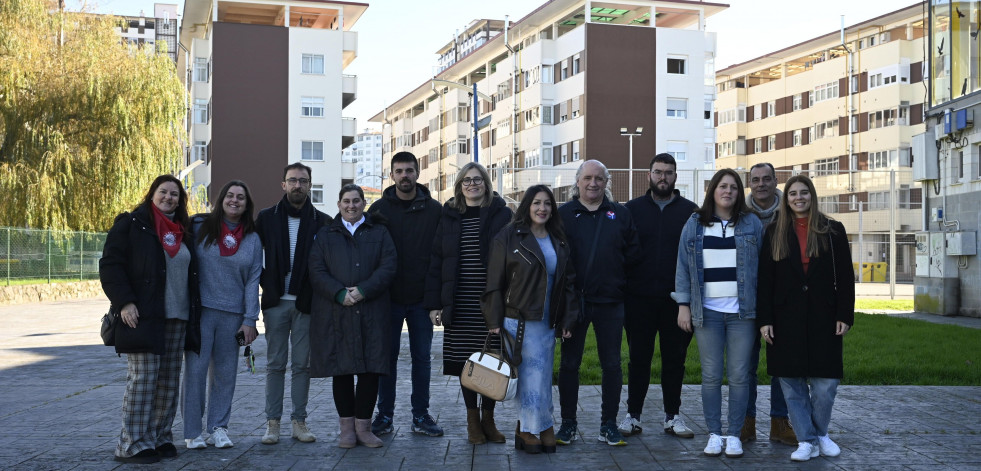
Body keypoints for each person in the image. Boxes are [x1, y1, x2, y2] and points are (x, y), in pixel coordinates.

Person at [99, 175, 201, 464]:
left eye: (174, 194)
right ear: (152, 194)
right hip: (142, 316)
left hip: (177, 316)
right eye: (163, 192)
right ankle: (130, 443)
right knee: (143, 379)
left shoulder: (183, 231)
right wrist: (124, 303)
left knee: (168, 381)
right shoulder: (131, 225)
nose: (169, 197)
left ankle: (159, 436)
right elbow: (110, 266)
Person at [756, 175, 854, 462]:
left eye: (804, 193)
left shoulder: (832, 230)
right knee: (791, 381)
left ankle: (820, 434)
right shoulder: (774, 231)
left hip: (824, 316)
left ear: (812, 195)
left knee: (826, 383)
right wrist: (765, 319)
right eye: (793, 194)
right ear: (786, 199)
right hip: (785, 318)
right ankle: (806, 440)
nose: (799, 198)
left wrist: (844, 314)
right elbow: (765, 280)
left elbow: (846, 277)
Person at [673, 168, 763, 459]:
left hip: (742, 314)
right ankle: (714, 433)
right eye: (722, 186)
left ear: (739, 193)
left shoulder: (751, 223)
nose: (728, 191)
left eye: (733, 187)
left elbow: (763, 269)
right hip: (707, 313)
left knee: (739, 376)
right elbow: (683, 267)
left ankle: (734, 435)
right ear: (712, 191)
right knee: (711, 376)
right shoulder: (695, 223)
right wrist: (683, 305)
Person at [483, 185, 579, 454]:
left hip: (548, 321)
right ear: (527, 205)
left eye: (548, 204)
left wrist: (568, 319)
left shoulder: (558, 239)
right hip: (518, 320)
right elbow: (494, 282)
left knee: (543, 376)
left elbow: (569, 283)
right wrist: (493, 320)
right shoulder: (509, 237)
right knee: (528, 377)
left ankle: (543, 425)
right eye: (537, 203)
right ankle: (527, 428)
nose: (542, 208)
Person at [424, 162, 512, 445]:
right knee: (468, 362)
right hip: (458, 301)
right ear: (459, 185)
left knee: (491, 361)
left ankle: (489, 419)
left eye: (477, 180)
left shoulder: (502, 214)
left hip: (491, 301)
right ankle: (472, 420)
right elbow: (436, 261)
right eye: (466, 180)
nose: (472, 184)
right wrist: (434, 304)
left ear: (486, 183)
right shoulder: (449, 215)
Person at [556, 159, 641, 447]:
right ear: (577, 182)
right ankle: (568, 423)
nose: (593, 183)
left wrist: (618, 283)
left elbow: (633, 254)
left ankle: (609, 424)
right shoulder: (563, 214)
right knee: (569, 364)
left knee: (612, 365)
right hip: (573, 303)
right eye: (588, 178)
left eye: (599, 178)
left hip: (610, 302)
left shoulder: (621, 213)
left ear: (607, 183)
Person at [309, 184, 397, 449]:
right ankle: (346, 430)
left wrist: (363, 290)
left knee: (370, 371)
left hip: (371, 311)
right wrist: (339, 293)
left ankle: (364, 428)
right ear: (338, 205)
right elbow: (316, 269)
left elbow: (389, 265)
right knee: (342, 371)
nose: (351, 205)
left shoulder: (379, 232)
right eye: (346, 201)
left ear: (363, 204)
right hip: (337, 312)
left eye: (356, 201)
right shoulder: (325, 235)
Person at [619, 153, 698, 439]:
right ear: (649, 175)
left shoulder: (691, 212)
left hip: (676, 302)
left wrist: (687, 300)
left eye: (668, 172)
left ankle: (672, 417)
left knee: (674, 360)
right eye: (657, 172)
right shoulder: (631, 210)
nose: (662, 177)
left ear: (676, 177)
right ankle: (633, 416)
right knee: (638, 359)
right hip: (637, 299)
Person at [367, 152, 444, 437]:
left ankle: (420, 416)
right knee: (385, 360)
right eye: (399, 171)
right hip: (388, 300)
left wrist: (437, 300)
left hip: (423, 300)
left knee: (422, 359)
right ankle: (384, 415)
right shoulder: (378, 211)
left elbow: (441, 257)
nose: (404, 176)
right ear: (391, 175)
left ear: (418, 172)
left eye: (409, 170)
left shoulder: (435, 210)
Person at [182, 180, 262, 450]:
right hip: (201, 313)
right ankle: (192, 432)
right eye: (230, 195)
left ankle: (218, 427)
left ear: (246, 204)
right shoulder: (199, 227)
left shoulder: (252, 238)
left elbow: (253, 281)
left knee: (226, 374)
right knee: (195, 371)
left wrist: (250, 319)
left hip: (233, 316)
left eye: (241, 197)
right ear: (221, 199)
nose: (235, 201)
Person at [255, 163, 330, 445]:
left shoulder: (322, 222)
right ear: (283, 184)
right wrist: (268, 284)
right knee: (275, 364)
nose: (298, 185)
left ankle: (299, 421)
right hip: (276, 303)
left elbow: (325, 265)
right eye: (293, 180)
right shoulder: (266, 218)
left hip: (306, 303)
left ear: (310, 185)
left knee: (302, 365)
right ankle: (272, 423)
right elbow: (252, 258)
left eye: (303, 181)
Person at [743, 162, 796, 445]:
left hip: (781, 302)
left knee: (780, 365)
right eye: (755, 179)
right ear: (749, 183)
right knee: (745, 365)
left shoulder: (789, 211)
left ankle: (780, 422)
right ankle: (746, 422)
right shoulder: (739, 211)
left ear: (776, 180)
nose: (761, 184)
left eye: (766, 179)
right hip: (748, 299)